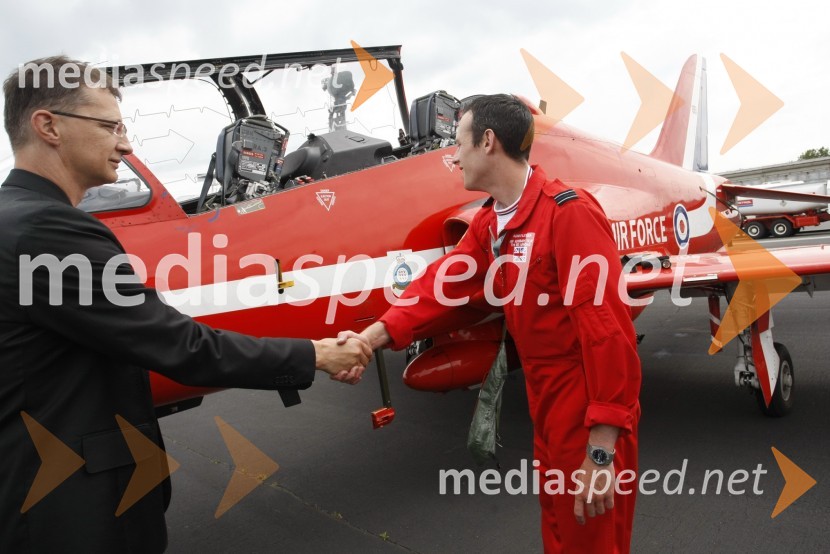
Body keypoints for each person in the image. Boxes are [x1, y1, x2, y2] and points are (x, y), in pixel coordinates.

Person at [0, 56, 369, 552]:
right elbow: (179, 345)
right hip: (73, 514)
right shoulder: (48, 229)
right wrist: (317, 355)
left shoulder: (13, 219)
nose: (125, 143)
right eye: (109, 126)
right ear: (48, 126)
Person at [353, 94, 642, 552]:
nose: (452, 155)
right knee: (560, 532)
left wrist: (602, 448)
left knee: (591, 538)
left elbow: (608, 331)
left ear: (488, 141)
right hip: (544, 400)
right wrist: (369, 339)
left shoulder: (568, 214)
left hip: (584, 400)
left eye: (458, 142)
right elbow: (437, 288)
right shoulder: (491, 222)